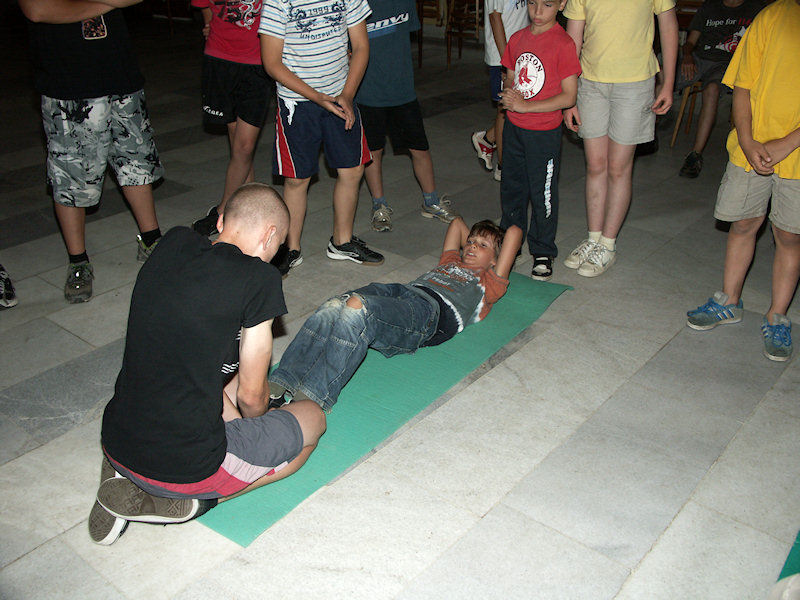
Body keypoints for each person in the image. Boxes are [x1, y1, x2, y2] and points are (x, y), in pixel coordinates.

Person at [91, 184, 326, 545]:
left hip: (117, 438)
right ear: (270, 236)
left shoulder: (173, 243)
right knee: (312, 420)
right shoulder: (260, 278)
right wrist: (260, 421)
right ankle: (192, 502)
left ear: (220, 221)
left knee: (205, 370)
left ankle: (122, 478)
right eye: (277, 247)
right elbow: (251, 396)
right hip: (186, 466)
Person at [268, 218, 523, 412]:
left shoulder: (490, 283)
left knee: (357, 309)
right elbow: (456, 223)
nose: (472, 246)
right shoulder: (450, 261)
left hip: (429, 314)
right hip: (404, 291)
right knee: (335, 305)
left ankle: (313, 395)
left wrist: (490, 243)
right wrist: (480, 241)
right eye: (470, 242)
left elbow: (514, 232)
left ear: (496, 260)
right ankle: (282, 381)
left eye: (482, 246)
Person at [20, 0, 164, 304]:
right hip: (68, 83)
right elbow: (38, 10)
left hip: (120, 74)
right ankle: (78, 261)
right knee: (71, 178)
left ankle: (151, 240)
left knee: (136, 164)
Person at [686, 0, 800, 362]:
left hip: (796, 154)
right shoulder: (773, 15)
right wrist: (748, 141)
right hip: (751, 146)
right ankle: (729, 300)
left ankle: (777, 316)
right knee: (743, 223)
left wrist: (787, 143)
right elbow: (742, 83)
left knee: (789, 235)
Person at [259, 0, 385, 276]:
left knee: (352, 169)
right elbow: (271, 62)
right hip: (297, 103)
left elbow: (361, 46)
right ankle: (290, 248)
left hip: (340, 95)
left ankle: (342, 241)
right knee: (297, 178)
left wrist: (347, 95)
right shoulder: (278, 2)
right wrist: (316, 97)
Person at [562, 0, 678, 277]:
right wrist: (569, 96)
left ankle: (608, 244)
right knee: (595, 165)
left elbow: (669, 27)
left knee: (618, 167)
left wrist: (668, 83)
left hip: (634, 83)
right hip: (590, 82)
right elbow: (572, 40)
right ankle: (593, 238)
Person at [357, 0, 457, 232]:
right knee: (373, 153)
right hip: (369, 93)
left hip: (403, 91)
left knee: (420, 149)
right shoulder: (357, 4)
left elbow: (406, 36)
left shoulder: (404, 2)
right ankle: (379, 205)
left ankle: (431, 201)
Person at [498, 0, 580, 281]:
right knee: (512, 188)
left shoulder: (563, 43)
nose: (538, 11)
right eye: (532, 2)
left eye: (547, 4)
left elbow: (569, 95)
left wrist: (527, 107)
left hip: (543, 133)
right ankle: (511, 242)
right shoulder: (517, 38)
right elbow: (510, 76)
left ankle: (543, 250)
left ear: (561, 4)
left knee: (542, 193)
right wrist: (509, 93)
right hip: (514, 129)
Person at [189, 0, 276, 236]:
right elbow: (203, 4)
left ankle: (223, 210)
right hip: (220, 60)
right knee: (238, 144)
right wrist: (209, 23)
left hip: (258, 63)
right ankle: (249, 208)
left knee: (244, 147)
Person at [676, 0, 763, 178]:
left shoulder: (756, 8)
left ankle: (695, 155)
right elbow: (690, 41)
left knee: (712, 89)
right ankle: (648, 137)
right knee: (661, 75)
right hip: (699, 59)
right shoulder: (710, 5)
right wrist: (687, 56)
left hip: (727, 64)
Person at [471, 0, 529, 182]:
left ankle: (488, 139)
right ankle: (503, 167)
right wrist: (507, 61)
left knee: (517, 107)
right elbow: (495, 18)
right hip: (503, 56)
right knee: (505, 111)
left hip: (522, 52)